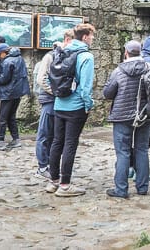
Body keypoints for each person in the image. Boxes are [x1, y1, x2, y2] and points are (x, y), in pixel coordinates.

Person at [102, 40, 150, 199]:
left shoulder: (118, 71)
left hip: (122, 116)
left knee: (122, 152)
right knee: (142, 150)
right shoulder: (149, 69)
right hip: (144, 115)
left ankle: (121, 189)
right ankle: (142, 187)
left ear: (126, 53)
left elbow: (108, 93)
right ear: (140, 52)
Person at [47, 22, 96, 197]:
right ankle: (65, 185)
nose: (92, 40)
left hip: (59, 103)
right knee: (70, 144)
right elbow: (85, 87)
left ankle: (53, 181)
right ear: (84, 37)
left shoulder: (63, 51)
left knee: (57, 142)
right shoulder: (86, 57)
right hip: (76, 107)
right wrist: (88, 105)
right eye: (91, 36)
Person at [34, 30, 73, 177]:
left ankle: (51, 164)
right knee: (44, 134)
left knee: (55, 136)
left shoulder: (66, 56)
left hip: (59, 101)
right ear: (67, 40)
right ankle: (43, 166)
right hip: (50, 100)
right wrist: (56, 92)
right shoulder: (50, 56)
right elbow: (41, 79)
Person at [0, 43, 30, 150]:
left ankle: (0, 141)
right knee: (11, 116)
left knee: (2, 117)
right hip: (18, 91)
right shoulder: (19, 58)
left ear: (4, 52)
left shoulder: (7, 61)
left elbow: (4, 78)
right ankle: (16, 139)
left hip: (8, 92)